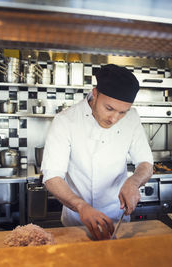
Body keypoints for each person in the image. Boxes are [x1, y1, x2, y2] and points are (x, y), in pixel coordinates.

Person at [41, 64, 153, 240]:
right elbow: (52, 177)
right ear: (95, 93)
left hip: (118, 219)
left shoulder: (132, 118)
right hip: (77, 221)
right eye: (109, 108)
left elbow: (146, 163)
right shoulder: (66, 120)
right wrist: (81, 207)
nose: (114, 119)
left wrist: (133, 182)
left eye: (122, 112)